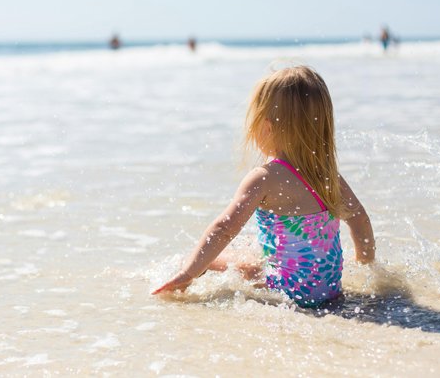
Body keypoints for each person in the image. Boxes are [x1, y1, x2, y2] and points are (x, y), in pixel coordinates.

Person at [152, 66, 376, 308]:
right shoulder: (328, 176)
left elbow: (224, 228)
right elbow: (359, 219)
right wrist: (366, 267)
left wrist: (189, 273)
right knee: (251, 247)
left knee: (207, 261)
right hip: (329, 293)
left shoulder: (264, 178)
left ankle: (167, 275)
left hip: (287, 293)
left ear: (267, 127)